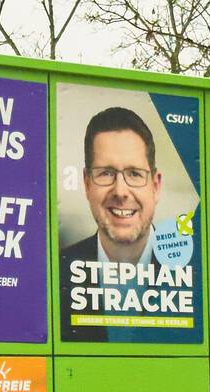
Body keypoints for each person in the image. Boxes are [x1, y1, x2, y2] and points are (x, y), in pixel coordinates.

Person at [58, 105, 164, 342]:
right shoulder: (55, 275)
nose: (121, 191)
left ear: (156, 186)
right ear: (86, 183)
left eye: (135, 174)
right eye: (106, 173)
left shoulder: (193, 272)